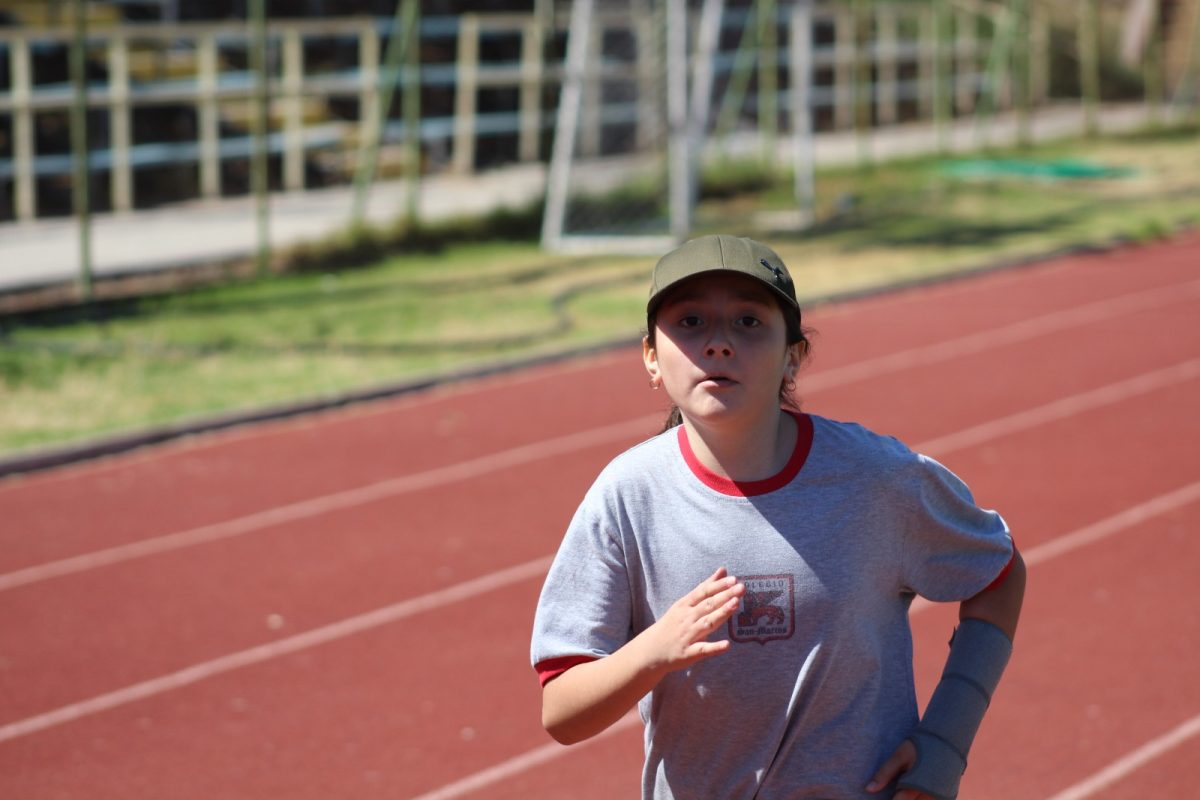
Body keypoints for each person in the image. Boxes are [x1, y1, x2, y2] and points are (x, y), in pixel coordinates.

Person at [530, 234, 1025, 799]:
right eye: (690, 322)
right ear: (650, 356)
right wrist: (651, 650)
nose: (718, 344)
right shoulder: (627, 494)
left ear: (793, 355)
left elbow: (999, 573)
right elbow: (561, 708)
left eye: (748, 322)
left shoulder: (877, 479)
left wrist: (945, 743)